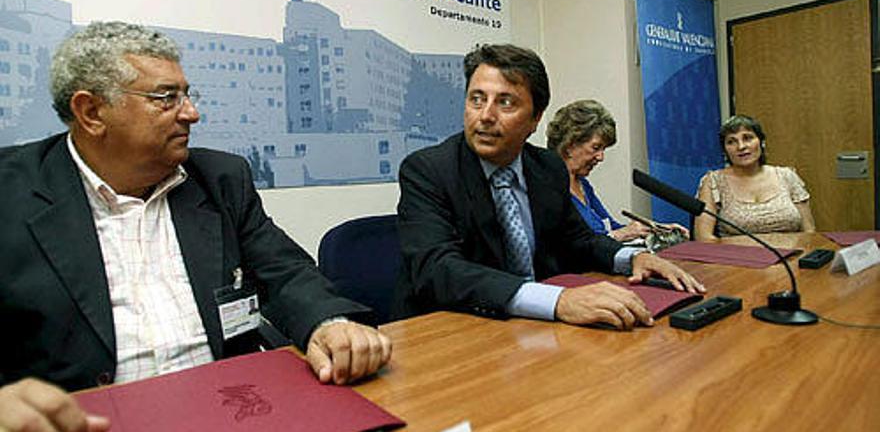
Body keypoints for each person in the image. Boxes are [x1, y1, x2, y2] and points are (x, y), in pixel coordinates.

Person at [0, 22, 391, 431]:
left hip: (233, 409)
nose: (191, 112)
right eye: (166, 98)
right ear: (92, 112)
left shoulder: (220, 178)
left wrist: (329, 324)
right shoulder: (11, 193)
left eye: (186, 94)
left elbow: (284, 271)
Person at [394, 44, 704, 331]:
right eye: (477, 99)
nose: (486, 116)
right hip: (458, 329)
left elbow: (577, 240)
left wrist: (631, 258)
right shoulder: (428, 170)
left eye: (505, 102)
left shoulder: (547, 167)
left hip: (535, 331)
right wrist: (556, 300)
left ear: (535, 118)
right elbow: (438, 270)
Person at [546, 99, 688, 242]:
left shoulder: (583, 185)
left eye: (603, 149)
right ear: (570, 145)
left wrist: (657, 230)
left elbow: (612, 227)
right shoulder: (550, 188)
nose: (601, 157)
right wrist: (620, 234)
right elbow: (567, 246)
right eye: (596, 148)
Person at [694, 114, 816, 240]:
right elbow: (704, 237)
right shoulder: (713, 181)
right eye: (731, 141)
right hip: (737, 257)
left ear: (761, 142)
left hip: (792, 256)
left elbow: (809, 231)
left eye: (748, 138)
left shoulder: (787, 176)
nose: (741, 146)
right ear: (725, 150)